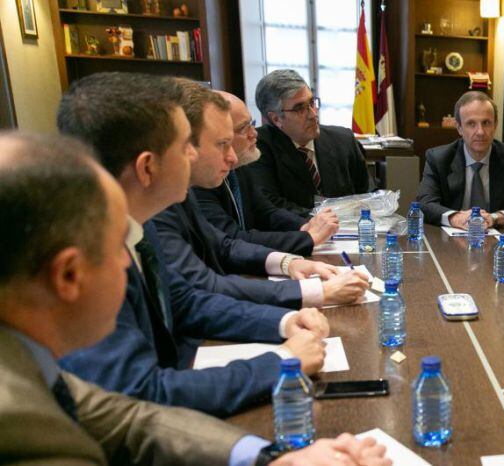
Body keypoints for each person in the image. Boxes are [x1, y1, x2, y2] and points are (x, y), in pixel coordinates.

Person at [0, 131, 388, 465]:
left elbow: (126, 419)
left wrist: (269, 458)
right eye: (120, 243)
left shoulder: (24, 356)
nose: (131, 259)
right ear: (68, 275)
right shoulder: (19, 428)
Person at [55, 72, 330, 417]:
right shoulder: (84, 260)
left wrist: (283, 321)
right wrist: (282, 361)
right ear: (147, 167)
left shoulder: (133, 221)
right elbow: (142, 395)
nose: (194, 154)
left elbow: (184, 301)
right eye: (185, 145)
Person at [153, 80, 370, 309]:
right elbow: (204, 287)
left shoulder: (180, 193)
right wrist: (316, 291)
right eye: (222, 143)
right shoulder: (166, 204)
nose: (233, 157)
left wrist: (288, 261)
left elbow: (226, 245)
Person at [194, 90, 340, 256]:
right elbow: (231, 238)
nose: (254, 133)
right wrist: (307, 238)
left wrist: (305, 226)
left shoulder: (240, 166)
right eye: (243, 128)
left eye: (252, 123)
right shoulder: (200, 180)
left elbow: (266, 211)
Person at [250, 69, 373, 216]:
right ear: (276, 119)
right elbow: (271, 208)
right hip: (298, 235)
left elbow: (369, 195)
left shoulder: (343, 140)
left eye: (312, 103)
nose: (313, 114)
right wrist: (327, 220)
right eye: (300, 108)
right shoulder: (258, 149)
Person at [416, 91, 504, 229]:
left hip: (498, 241)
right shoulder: (439, 159)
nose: (480, 132)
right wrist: (456, 218)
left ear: (495, 125)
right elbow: (425, 203)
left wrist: (494, 218)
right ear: (459, 128)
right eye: (471, 124)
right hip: (451, 241)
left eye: (486, 123)